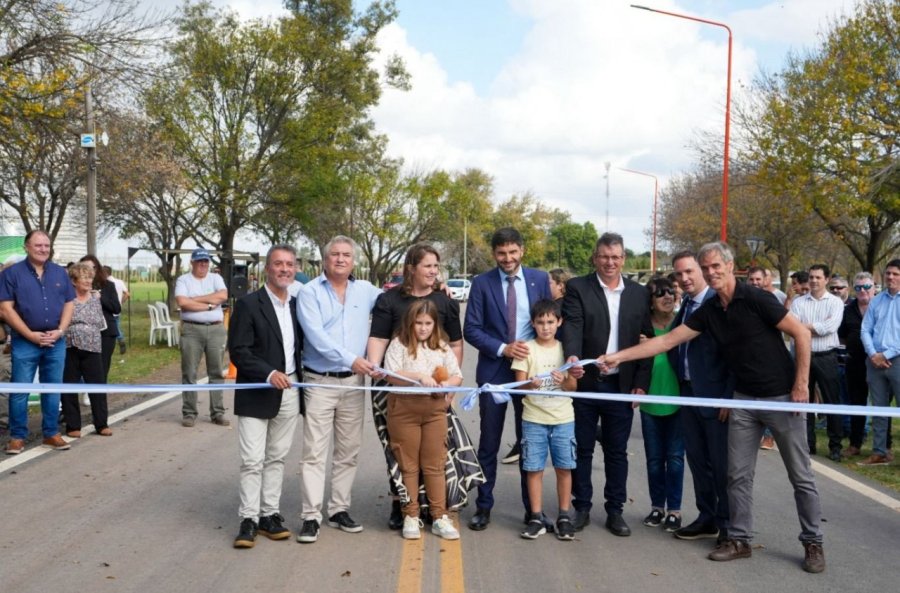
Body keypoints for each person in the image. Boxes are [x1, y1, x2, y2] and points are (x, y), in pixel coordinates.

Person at [600, 241, 825, 574]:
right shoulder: (709, 310)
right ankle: (739, 539)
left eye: (715, 266)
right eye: (705, 268)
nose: (710, 273)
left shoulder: (757, 298)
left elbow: (801, 335)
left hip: (783, 398)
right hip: (742, 400)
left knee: (801, 476)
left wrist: (801, 385)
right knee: (736, 476)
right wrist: (617, 357)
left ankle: (813, 542)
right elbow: (667, 341)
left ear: (731, 266)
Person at [366, 243, 476, 530]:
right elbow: (378, 338)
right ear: (411, 268)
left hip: (435, 395)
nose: (433, 271)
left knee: (434, 454)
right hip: (395, 389)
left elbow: (454, 345)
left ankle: (433, 509)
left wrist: (449, 391)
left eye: (436, 267)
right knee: (400, 451)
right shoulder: (389, 300)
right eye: (427, 266)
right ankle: (402, 505)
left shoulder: (446, 302)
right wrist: (379, 373)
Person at [561, 232, 653, 537]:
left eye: (615, 257)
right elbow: (573, 325)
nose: (609, 262)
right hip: (587, 382)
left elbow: (647, 341)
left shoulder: (640, 294)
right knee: (582, 449)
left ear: (624, 259)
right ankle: (582, 507)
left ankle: (615, 511)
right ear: (594, 258)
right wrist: (573, 357)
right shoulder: (578, 288)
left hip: (621, 386)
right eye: (604, 256)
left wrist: (641, 382)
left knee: (617, 451)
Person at [463, 227, 552, 531]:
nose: (507, 258)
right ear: (494, 254)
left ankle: (533, 510)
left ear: (522, 251)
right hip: (494, 372)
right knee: (489, 443)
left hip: (531, 374)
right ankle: (483, 506)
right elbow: (471, 329)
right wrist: (503, 348)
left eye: (513, 252)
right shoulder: (481, 283)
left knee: (529, 442)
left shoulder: (540, 280)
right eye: (501, 253)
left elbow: (550, 321)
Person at [296, 236, 380, 543]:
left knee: (348, 451)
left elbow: (399, 303)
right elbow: (316, 338)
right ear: (325, 260)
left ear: (353, 261)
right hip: (319, 381)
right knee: (314, 452)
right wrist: (354, 359)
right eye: (335, 254)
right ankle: (310, 516)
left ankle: (339, 509)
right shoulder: (309, 293)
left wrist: (437, 288)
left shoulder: (367, 291)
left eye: (346, 255)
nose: (341, 259)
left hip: (353, 384)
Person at [228, 245, 305, 549]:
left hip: (290, 392)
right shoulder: (248, 305)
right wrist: (269, 373)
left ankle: (269, 514)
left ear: (295, 268)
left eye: (289, 264)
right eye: (278, 264)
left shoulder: (299, 306)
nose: (284, 269)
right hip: (257, 391)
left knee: (277, 457)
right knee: (252, 460)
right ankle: (248, 519)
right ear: (267, 270)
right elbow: (239, 350)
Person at [383, 299, 463, 540]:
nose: (423, 328)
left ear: (435, 324)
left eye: (428, 323)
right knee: (408, 465)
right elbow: (391, 374)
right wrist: (419, 377)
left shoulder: (441, 346)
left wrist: (446, 384)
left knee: (434, 463)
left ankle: (439, 515)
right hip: (404, 409)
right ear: (410, 322)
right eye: (418, 323)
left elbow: (457, 376)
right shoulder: (399, 344)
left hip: (434, 410)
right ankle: (410, 514)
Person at [668, 251, 733, 544]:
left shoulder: (717, 304)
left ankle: (729, 525)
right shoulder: (685, 306)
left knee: (721, 464)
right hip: (688, 393)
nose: (685, 278)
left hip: (716, 397)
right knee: (697, 460)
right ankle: (707, 517)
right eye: (679, 274)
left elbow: (735, 354)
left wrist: (728, 397)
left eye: (690, 272)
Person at [1, 230, 75, 455]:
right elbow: (5, 309)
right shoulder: (11, 274)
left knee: (52, 388)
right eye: (38, 245)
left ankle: (51, 433)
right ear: (26, 247)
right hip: (25, 341)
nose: (43, 249)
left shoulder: (60, 273)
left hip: (55, 341)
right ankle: (17, 437)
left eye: (46, 245)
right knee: (20, 390)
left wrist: (61, 331)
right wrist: (29, 334)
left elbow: (69, 303)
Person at [510, 299, 577, 541]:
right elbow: (520, 386)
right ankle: (536, 516)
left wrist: (564, 381)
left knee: (564, 468)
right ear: (533, 324)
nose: (546, 327)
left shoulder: (566, 350)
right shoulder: (526, 349)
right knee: (533, 468)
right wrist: (530, 383)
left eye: (550, 322)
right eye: (540, 322)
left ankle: (564, 516)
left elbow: (573, 386)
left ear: (559, 322)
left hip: (563, 418)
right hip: (533, 418)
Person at [638, 277, 684, 533]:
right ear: (651, 302)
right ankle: (657, 507)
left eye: (671, 292)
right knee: (655, 459)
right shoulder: (642, 331)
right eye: (660, 294)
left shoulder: (682, 326)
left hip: (678, 403)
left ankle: (674, 511)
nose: (668, 297)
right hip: (650, 404)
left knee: (675, 458)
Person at [790, 264, 845, 460]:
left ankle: (835, 446)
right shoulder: (798, 302)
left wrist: (803, 328)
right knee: (803, 401)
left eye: (818, 278)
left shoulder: (835, 302)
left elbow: (830, 327)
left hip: (826, 357)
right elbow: (792, 327)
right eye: (811, 277)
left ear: (826, 280)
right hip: (804, 356)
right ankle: (808, 444)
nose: (814, 281)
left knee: (831, 402)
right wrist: (810, 328)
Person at [175, 248, 229, 428]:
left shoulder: (216, 278)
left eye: (205, 261)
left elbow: (223, 295)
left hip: (215, 329)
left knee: (216, 372)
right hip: (191, 330)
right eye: (199, 261)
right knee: (189, 372)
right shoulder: (184, 280)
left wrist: (195, 300)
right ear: (192, 263)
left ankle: (218, 412)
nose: (203, 265)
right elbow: (183, 302)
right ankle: (189, 412)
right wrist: (208, 306)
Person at [60, 263, 111, 438]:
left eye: (90, 278)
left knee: (97, 386)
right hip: (70, 346)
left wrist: (80, 323)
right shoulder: (67, 300)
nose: (89, 281)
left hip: (93, 346)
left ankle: (102, 423)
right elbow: (65, 321)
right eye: (85, 278)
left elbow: (98, 321)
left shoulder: (96, 298)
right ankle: (73, 425)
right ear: (74, 281)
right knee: (69, 387)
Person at [858, 259, 900, 466]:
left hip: (897, 361)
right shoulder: (876, 300)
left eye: (895, 274)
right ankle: (879, 452)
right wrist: (873, 354)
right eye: (888, 273)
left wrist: (887, 354)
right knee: (879, 408)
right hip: (874, 362)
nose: (891, 277)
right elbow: (865, 329)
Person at [839, 273, 881, 458]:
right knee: (856, 403)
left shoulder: (882, 306)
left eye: (866, 287)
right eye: (858, 288)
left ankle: (883, 447)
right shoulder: (848, 310)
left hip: (879, 362)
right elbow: (842, 334)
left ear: (874, 287)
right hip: (855, 362)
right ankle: (855, 443)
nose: (862, 291)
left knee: (882, 405)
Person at [80, 256, 121, 384]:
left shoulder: (108, 285)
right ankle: (86, 390)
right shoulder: (77, 286)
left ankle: (98, 398)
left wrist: (100, 297)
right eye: (85, 268)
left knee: (102, 368)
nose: (89, 271)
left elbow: (116, 308)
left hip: (105, 333)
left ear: (98, 268)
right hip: (83, 333)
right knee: (83, 366)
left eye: (93, 267)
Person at [103, 265, 129, 354]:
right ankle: (119, 340)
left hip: (108, 309)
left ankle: (120, 340)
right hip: (117, 308)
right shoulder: (119, 281)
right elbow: (127, 294)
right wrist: (121, 302)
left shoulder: (106, 283)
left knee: (113, 328)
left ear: (105, 273)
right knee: (116, 325)